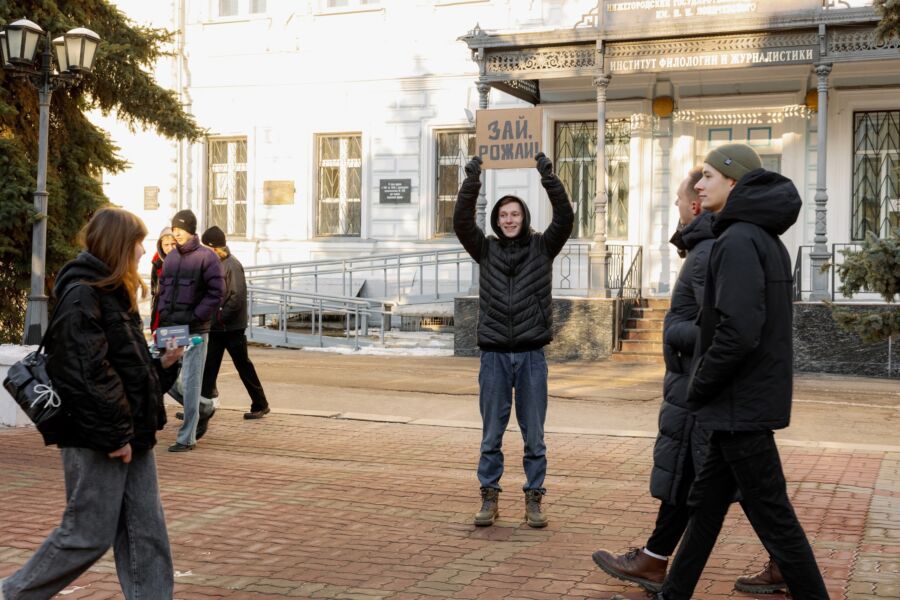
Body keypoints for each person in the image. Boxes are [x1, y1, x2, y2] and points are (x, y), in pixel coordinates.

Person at [593, 168, 785, 594]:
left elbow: (717, 329)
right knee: (720, 480)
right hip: (703, 386)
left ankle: (657, 561)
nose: (678, 208)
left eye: (680, 202)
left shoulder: (707, 253)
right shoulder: (709, 247)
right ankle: (658, 559)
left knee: (711, 479)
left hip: (699, 385)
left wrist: (671, 331)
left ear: (695, 206)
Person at [650, 143, 828, 600]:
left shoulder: (738, 240)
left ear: (734, 181)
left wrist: (700, 384)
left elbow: (738, 332)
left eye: (709, 176)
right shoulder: (758, 237)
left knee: (776, 519)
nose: (699, 185)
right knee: (705, 510)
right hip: (738, 404)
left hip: (738, 405)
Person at [2, 207, 184, 600]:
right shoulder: (83, 294)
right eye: (138, 242)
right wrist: (116, 435)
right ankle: (12, 593)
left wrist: (164, 364)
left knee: (146, 535)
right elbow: (84, 375)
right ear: (119, 245)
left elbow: (129, 371)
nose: (143, 250)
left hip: (130, 432)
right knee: (87, 533)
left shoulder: (114, 293)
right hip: (99, 436)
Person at [454, 153, 574, 528]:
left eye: (515, 214)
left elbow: (565, 218)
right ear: (497, 219)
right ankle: (489, 497)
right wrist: (471, 182)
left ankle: (534, 499)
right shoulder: (485, 249)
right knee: (491, 434)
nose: (509, 220)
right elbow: (461, 223)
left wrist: (548, 178)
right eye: (504, 215)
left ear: (524, 217)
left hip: (531, 355)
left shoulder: (543, 247)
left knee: (534, 435)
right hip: (493, 357)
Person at [156, 209, 225, 452]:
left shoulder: (207, 257)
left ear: (191, 230)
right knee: (162, 373)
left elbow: (217, 292)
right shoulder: (171, 257)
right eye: (174, 229)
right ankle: (204, 407)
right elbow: (163, 290)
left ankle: (187, 437)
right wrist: (162, 318)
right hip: (172, 327)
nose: (176, 234)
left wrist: (196, 316)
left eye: (180, 230)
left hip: (196, 328)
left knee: (191, 380)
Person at [199, 226, 270, 419]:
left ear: (214, 247)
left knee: (243, 366)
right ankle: (200, 407)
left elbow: (236, 297)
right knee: (209, 367)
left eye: (206, 247)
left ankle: (260, 404)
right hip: (218, 326)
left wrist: (219, 317)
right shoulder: (214, 264)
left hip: (231, 327)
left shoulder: (231, 265)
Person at [150, 227, 176, 332]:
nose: (170, 248)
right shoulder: (157, 262)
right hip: (160, 311)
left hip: (178, 315)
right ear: (160, 245)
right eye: (166, 245)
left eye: (173, 244)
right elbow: (154, 289)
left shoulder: (186, 261)